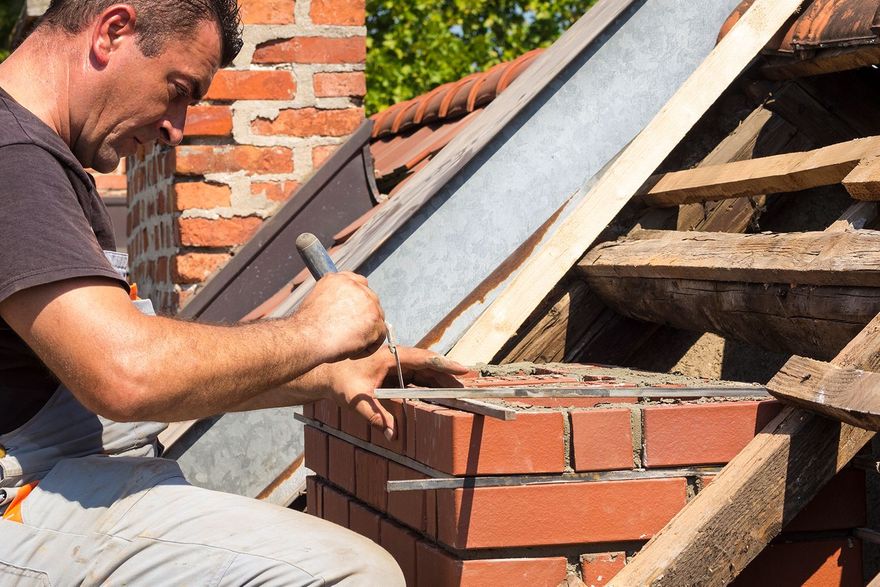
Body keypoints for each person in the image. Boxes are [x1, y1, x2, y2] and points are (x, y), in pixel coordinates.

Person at [0, 0, 468, 583]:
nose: (175, 128)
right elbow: (126, 374)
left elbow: (114, 370)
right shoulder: (14, 158)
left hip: (61, 479)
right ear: (113, 32)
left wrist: (329, 375)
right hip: (22, 500)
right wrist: (316, 332)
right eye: (178, 90)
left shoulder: (38, 156)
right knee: (350, 574)